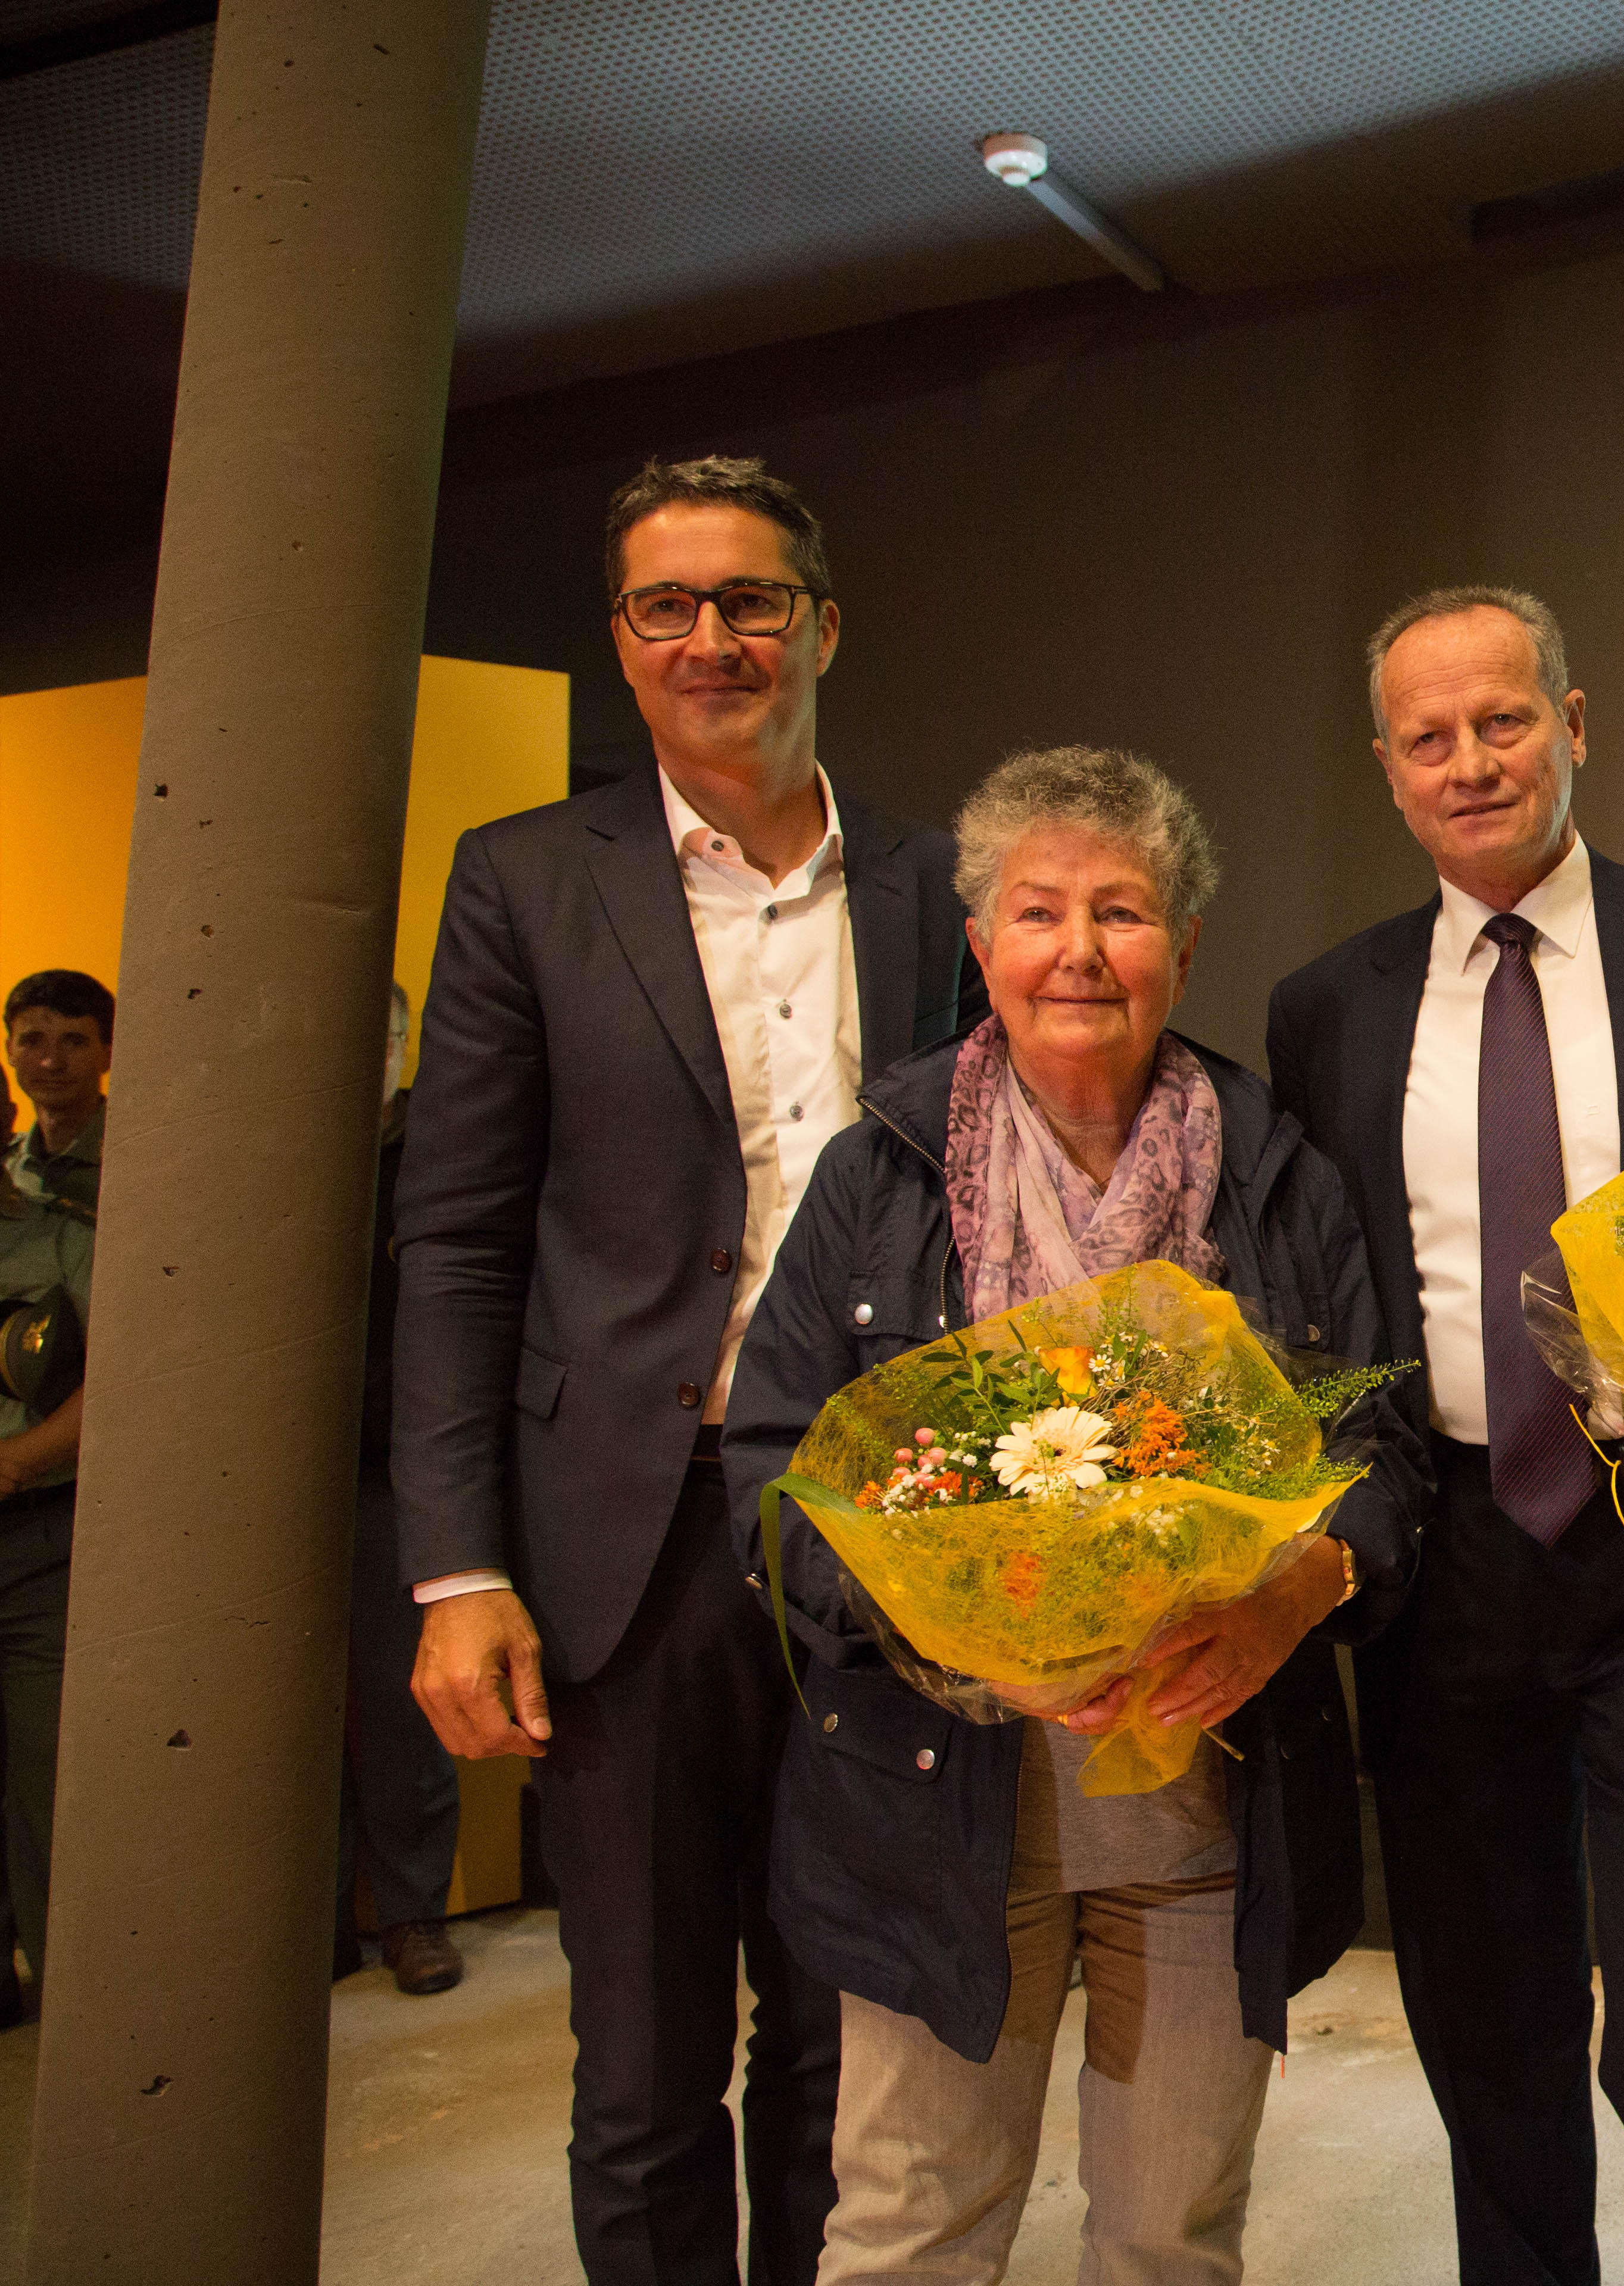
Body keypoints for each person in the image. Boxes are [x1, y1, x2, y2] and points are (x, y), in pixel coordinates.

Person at [724, 745, 1428, 2282]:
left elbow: (1379, 1455)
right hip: (937, 1789)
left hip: (1204, 1798)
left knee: (1172, 2238)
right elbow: (773, 1482)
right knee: (914, 2227)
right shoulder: (881, 1177)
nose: (1081, 952)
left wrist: (1280, 1598)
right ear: (981, 948)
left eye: (1123, 912)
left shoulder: (1278, 1178)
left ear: (1184, 947)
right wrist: (951, 1619)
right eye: (1038, 912)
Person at [396, 454, 982, 2284]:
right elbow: (460, 1240)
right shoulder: (523, 885)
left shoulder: (940, 883)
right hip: (624, 1553)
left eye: (749, 600)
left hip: (872, 1547)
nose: (712, 637)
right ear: (623, 637)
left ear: (824, 623)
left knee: (844, 2046)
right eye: (669, 604)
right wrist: (459, 1566)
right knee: (645, 2067)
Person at [1264, 586, 1624, 2286]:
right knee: (1484, 2030)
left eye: (1503, 720)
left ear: (1575, 723)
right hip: (1443, 1560)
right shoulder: (1326, 1007)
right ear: (1387, 771)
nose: (1470, 761)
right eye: (1428, 739)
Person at [339, 979, 464, 1995]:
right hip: (282, 1478)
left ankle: (413, 1913)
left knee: (399, 1704)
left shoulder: (437, 1149)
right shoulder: (279, 1157)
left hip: (395, 1463)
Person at [0, 1073, 92, 2022]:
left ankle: (72, 1996)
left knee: (49, 1784)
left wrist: (18, 1465)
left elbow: (116, 1372)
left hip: (36, 1537)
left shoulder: (58, 1236)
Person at [4, 969, 112, 1216]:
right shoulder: (5, 1166)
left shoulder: (142, 1163)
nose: (52, 1062)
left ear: (109, 1053)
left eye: (74, 1042)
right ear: (10, 1050)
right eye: (32, 1042)